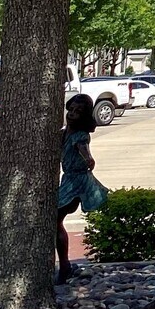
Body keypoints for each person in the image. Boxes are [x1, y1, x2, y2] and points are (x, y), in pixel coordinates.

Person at [54, 93, 103, 284]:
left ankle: (65, 264)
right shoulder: (64, 133)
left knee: (55, 218)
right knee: (56, 221)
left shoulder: (80, 136)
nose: (72, 114)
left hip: (77, 181)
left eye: (78, 112)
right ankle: (64, 264)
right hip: (68, 178)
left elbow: (84, 151)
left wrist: (88, 159)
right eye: (71, 110)